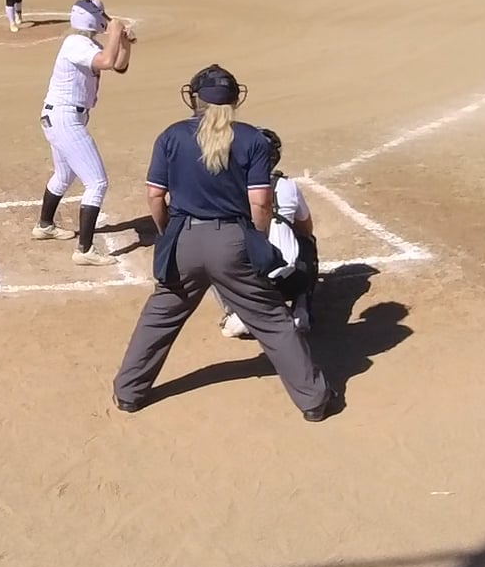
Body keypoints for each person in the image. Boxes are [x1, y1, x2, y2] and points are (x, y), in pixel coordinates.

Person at [113, 65, 336, 421]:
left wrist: (169, 232)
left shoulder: (171, 136)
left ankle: (129, 392)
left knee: (160, 316)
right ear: (235, 99)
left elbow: (155, 195)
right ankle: (313, 401)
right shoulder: (252, 139)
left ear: (195, 99)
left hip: (184, 239)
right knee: (272, 320)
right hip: (232, 241)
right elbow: (260, 203)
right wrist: (255, 240)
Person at [32, 0, 135, 265]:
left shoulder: (87, 44)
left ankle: (45, 226)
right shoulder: (75, 43)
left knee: (64, 175)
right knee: (97, 183)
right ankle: (85, 250)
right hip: (65, 118)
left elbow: (119, 65)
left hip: (63, 117)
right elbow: (107, 61)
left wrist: (123, 42)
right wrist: (115, 31)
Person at [219, 126, 317, 338]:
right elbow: (306, 229)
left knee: (214, 248)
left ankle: (236, 313)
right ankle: (301, 310)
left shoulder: (231, 188)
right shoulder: (288, 186)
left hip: (249, 286)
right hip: (290, 280)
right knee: (307, 242)